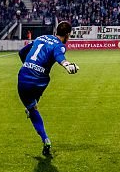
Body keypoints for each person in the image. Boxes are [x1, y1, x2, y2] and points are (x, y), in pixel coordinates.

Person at [17, 21, 79, 158]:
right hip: (39, 81)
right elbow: (59, 56)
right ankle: (32, 106)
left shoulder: (40, 38)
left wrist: (28, 65)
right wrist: (67, 65)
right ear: (68, 34)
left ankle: (45, 139)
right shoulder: (59, 45)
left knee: (32, 109)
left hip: (23, 77)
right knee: (44, 80)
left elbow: (22, 53)